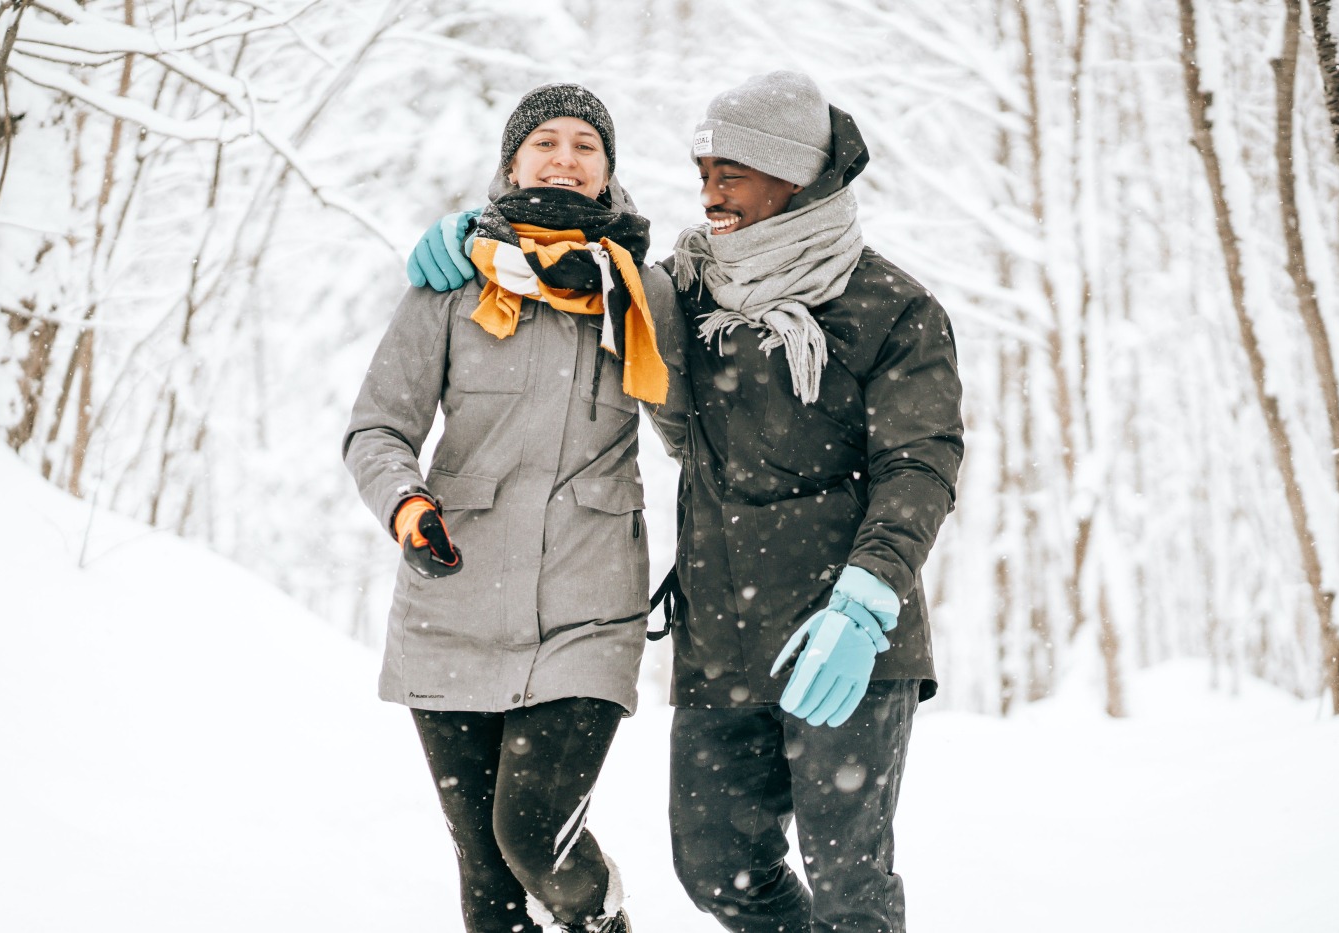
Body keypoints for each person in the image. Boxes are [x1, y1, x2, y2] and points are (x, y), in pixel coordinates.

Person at [408, 71, 964, 933]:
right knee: (718, 871)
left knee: (851, 885)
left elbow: (921, 464)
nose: (709, 195)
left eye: (730, 176)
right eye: (702, 171)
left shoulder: (891, 308)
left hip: (846, 638)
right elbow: (581, 270)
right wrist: (479, 235)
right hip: (725, 636)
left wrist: (867, 598)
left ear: (792, 177)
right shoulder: (688, 287)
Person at [344, 83, 683, 933]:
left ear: (608, 174)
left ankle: (601, 920)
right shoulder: (452, 284)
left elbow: (696, 431)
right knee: (489, 881)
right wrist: (405, 504)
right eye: (546, 143)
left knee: (531, 832)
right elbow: (378, 426)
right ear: (511, 163)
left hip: (587, 609)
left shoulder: (644, 292)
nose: (565, 158)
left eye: (586, 146)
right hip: (453, 601)